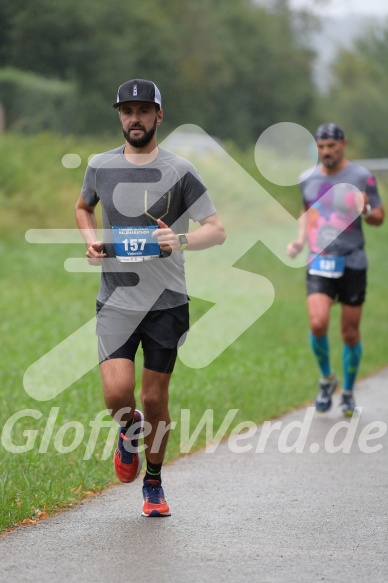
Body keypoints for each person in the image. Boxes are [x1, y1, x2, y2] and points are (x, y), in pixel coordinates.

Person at [75, 78, 226, 516]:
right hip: (116, 299)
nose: (134, 118)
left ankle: (154, 483)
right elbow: (83, 206)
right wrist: (89, 240)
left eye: (143, 110)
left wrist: (177, 240)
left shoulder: (181, 170)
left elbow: (216, 231)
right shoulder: (100, 166)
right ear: (119, 116)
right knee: (116, 394)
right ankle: (129, 432)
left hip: (166, 302)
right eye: (127, 110)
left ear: (159, 115)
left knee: (155, 398)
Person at [287, 123, 384, 416]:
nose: (326, 151)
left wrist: (365, 208)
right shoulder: (307, 178)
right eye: (321, 146)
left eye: (331, 146)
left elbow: (379, 217)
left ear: (343, 145)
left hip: (353, 260)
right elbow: (307, 213)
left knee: (350, 333)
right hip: (320, 258)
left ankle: (349, 392)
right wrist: (299, 241)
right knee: (318, 323)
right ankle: (327, 378)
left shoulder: (361, 177)